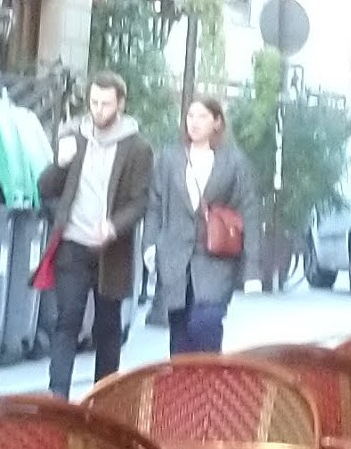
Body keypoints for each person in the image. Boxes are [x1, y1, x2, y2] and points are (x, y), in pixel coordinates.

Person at [34, 74, 150, 396]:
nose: (98, 110)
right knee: (66, 321)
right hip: (73, 243)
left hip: (111, 250)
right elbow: (45, 188)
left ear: (121, 104)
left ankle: (104, 399)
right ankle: (58, 397)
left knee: (107, 327)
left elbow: (140, 201)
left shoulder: (138, 148)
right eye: (94, 102)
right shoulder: (75, 138)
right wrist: (60, 163)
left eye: (106, 104)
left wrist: (113, 226)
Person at [148, 88, 255, 353]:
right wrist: (151, 244)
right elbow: (155, 204)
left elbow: (249, 210)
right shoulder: (170, 159)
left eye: (202, 116)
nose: (194, 122)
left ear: (217, 121)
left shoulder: (234, 162)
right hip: (175, 258)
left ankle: (210, 377)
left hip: (217, 259)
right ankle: (183, 381)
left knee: (205, 323)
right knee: (180, 334)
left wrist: (252, 268)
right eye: (190, 116)